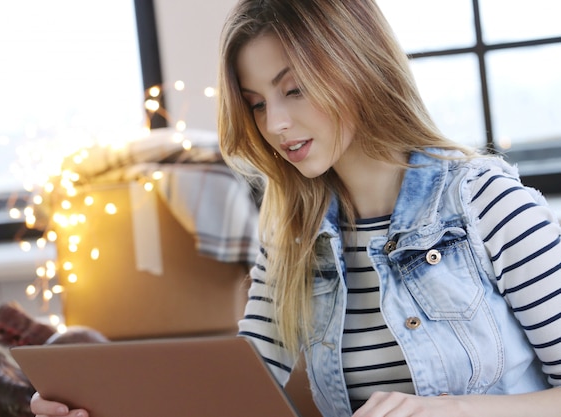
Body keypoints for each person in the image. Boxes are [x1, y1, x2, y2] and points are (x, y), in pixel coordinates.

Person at [30, 0, 561, 416]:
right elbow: (232, 393)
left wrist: (456, 410)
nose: (275, 124)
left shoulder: (488, 203)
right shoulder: (292, 234)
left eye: (295, 90)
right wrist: (98, 405)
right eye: (257, 102)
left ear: (359, 68)